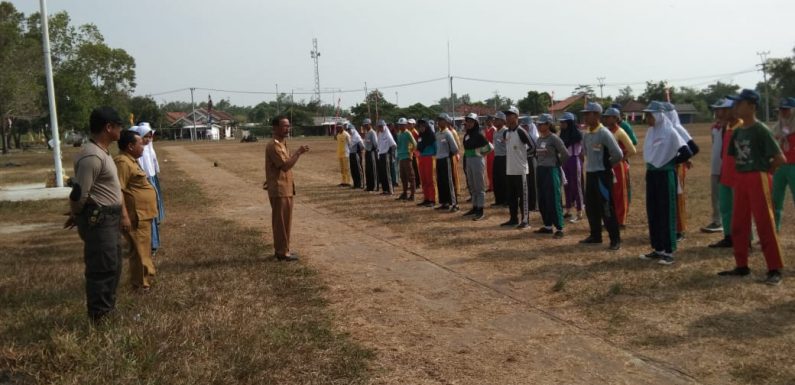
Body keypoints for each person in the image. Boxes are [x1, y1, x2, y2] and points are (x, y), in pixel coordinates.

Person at [718, 89, 786, 285]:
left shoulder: (760, 130)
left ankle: (774, 268)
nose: (736, 107)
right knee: (738, 223)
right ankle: (741, 265)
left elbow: (779, 158)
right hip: (741, 179)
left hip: (758, 177)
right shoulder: (737, 131)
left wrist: (766, 172)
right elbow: (732, 158)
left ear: (752, 106)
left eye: (740, 104)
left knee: (765, 222)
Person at [66, 106, 124, 323]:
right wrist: (77, 215)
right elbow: (79, 194)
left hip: (109, 218)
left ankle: (108, 309)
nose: (121, 130)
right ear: (108, 128)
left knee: (113, 265)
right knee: (101, 268)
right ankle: (99, 317)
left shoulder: (102, 152)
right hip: (99, 220)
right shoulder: (91, 156)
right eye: (119, 126)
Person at [638, 102, 692, 265]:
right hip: (652, 174)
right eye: (646, 115)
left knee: (666, 211)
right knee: (653, 211)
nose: (647, 118)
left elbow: (686, 152)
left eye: (650, 115)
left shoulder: (670, 132)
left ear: (659, 116)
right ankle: (658, 248)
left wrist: (670, 162)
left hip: (665, 175)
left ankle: (669, 251)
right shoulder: (650, 132)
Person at [114, 130, 158, 291]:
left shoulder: (131, 160)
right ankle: (141, 284)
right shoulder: (123, 163)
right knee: (139, 251)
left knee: (143, 249)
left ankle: (142, 281)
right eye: (140, 143)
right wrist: (124, 216)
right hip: (136, 215)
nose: (143, 146)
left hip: (143, 214)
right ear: (130, 146)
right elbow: (118, 190)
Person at [264, 116, 310, 261]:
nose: (287, 128)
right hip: (279, 189)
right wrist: (298, 153)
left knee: (285, 221)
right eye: (284, 126)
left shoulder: (283, 144)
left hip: (286, 188)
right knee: (281, 222)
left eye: (288, 125)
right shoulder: (274, 146)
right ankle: (282, 252)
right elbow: (285, 166)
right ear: (275, 128)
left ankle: (283, 249)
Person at [579, 102, 623, 250]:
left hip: (602, 176)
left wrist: (606, 166)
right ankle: (595, 235)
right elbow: (586, 153)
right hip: (590, 174)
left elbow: (618, 154)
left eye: (588, 114)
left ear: (597, 115)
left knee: (606, 207)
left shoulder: (604, 133)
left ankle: (615, 239)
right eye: (584, 114)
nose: (585, 116)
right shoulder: (586, 134)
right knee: (591, 207)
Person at [710, 99, 744, 248]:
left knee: (741, 207)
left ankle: (745, 238)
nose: (719, 113)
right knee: (725, 206)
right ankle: (728, 236)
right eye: (718, 110)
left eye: (723, 109)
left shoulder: (741, 126)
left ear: (732, 110)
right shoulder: (726, 127)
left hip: (738, 173)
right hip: (725, 172)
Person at [664, 102, 699, 242]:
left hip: (676, 169)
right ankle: (672, 226)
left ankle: (680, 229)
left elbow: (693, 148)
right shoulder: (665, 129)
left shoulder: (677, 128)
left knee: (677, 198)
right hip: (667, 168)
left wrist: (678, 160)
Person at [533, 114, 569, 238]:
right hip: (541, 170)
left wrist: (557, 164)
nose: (539, 126)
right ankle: (548, 226)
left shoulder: (554, 138)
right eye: (538, 124)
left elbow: (565, 154)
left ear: (548, 124)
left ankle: (559, 228)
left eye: (541, 124)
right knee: (542, 199)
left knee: (553, 199)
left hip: (551, 171)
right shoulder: (539, 139)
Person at [132, 122, 164, 256]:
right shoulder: (139, 150)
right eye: (147, 136)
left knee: (152, 209)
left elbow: (153, 160)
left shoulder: (146, 147)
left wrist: (155, 172)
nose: (150, 138)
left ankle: (153, 243)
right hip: (144, 180)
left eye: (150, 136)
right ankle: (151, 243)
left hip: (149, 178)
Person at [501, 106, 535, 229]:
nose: (508, 117)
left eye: (510, 115)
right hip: (509, 170)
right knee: (512, 197)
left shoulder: (521, 131)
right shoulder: (506, 132)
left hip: (521, 171)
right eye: (507, 115)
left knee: (523, 196)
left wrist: (523, 158)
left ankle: (525, 220)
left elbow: (532, 147)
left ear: (516, 117)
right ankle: (513, 219)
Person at [603, 108, 636, 228]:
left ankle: (621, 221)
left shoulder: (620, 132)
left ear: (615, 118)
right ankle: (610, 219)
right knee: (609, 193)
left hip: (619, 167)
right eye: (605, 117)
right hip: (608, 165)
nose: (605, 119)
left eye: (608, 117)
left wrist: (622, 159)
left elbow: (632, 150)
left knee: (620, 194)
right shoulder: (605, 131)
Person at [701, 100, 730, 234]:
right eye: (716, 110)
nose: (717, 112)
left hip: (727, 167)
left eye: (720, 109)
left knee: (727, 196)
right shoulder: (714, 128)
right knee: (716, 195)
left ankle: (727, 222)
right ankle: (717, 220)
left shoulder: (731, 127)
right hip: (715, 166)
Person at [461, 113, 493, 220]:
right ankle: (474, 207)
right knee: (472, 185)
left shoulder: (479, 135)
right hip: (469, 161)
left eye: (471, 121)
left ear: (476, 123)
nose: (469, 124)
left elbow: (490, 147)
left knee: (479, 186)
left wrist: (480, 154)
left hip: (477, 161)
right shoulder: (466, 135)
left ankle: (480, 209)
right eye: (467, 121)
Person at [772, 97, 795, 230]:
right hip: (780, 166)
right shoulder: (779, 125)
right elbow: (772, 138)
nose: (783, 112)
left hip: (794, 165)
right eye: (781, 109)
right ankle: (774, 229)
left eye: (786, 109)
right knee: (776, 199)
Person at [559, 112, 584, 222]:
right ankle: (568, 210)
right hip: (565, 161)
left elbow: (582, 149)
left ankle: (579, 211)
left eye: (563, 122)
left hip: (574, 159)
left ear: (569, 122)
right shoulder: (563, 134)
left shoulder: (577, 134)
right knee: (567, 185)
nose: (561, 124)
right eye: (561, 122)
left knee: (576, 186)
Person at [435, 113, 460, 211]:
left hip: (446, 160)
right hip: (439, 159)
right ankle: (444, 202)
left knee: (449, 182)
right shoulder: (437, 134)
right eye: (439, 120)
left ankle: (454, 204)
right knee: (441, 182)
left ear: (446, 122)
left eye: (441, 120)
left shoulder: (448, 133)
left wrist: (449, 155)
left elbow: (455, 148)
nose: (439, 122)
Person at [416, 118, 437, 207]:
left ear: (426, 126)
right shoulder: (420, 136)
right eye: (419, 126)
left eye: (423, 126)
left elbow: (436, 148)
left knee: (430, 180)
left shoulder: (431, 136)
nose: (421, 128)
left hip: (429, 158)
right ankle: (426, 198)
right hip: (421, 158)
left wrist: (433, 155)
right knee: (423, 180)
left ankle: (432, 199)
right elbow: (418, 147)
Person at [395, 117, 417, 201]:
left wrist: (411, 152)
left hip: (407, 157)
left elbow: (415, 144)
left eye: (402, 125)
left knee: (411, 177)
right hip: (401, 157)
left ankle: (412, 195)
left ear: (405, 125)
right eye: (399, 125)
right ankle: (404, 193)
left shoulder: (408, 133)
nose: (400, 126)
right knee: (403, 177)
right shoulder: (399, 134)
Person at [491, 112, 509, 206]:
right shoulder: (495, 131)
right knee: (496, 179)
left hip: (504, 157)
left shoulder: (506, 131)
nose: (495, 121)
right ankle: (499, 200)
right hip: (497, 157)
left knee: (504, 180)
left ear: (503, 121)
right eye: (495, 120)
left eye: (497, 120)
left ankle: (506, 200)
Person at [376, 119, 397, 195]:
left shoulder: (387, 134)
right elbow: (379, 145)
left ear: (384, 126)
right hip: (381, 155)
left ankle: (390, 190)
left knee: (388, 173)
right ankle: (385, 190)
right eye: (379, 127)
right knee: (383, 173)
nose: (380, 128)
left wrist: (391, 155)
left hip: (387, 155)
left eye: (381, 127)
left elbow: (394, 145)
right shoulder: (380, 134)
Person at [362, 119, 379, 192]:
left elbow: (375, 144)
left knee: (373, 170)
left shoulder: (373, 132)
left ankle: (375, 186)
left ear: (370, 124)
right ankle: (369, 186)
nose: (365, 126)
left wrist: (372, 149)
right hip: (367, 152)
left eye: (366, 124)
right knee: (368, 170)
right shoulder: (367, 133)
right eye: (364, 125)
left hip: (372, 152)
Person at [346, 123, 365, 189]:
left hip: (356, 154)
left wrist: (359, 153)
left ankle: (361, 184)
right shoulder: (351, 137)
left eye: (349, 129)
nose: (349, 131)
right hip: (351, 154)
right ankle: (356, 183)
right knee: (353, 170)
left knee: (358, 169)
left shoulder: (357, 137)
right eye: (348, 130)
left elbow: (362, 146)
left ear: (353, 129)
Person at [408, 118, 422, 189]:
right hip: (410, 152)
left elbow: (417, 143)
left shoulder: (415, 132)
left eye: (410, 124)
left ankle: (417, 183)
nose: (409, 125)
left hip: (414, 153)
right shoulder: (409, 131)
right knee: (412, 169)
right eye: (408, 124)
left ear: (414, 124)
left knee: (415, 168)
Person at [484, 116, 497, 192]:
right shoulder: (487, 129)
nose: (487, 122)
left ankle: (493, 185)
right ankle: (490, 185)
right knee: (488, 169)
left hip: (493, 151)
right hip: (488, 152)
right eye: (486, 121)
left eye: (488, 121)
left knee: (492, 169)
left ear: (491, 121)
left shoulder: (494, 130)